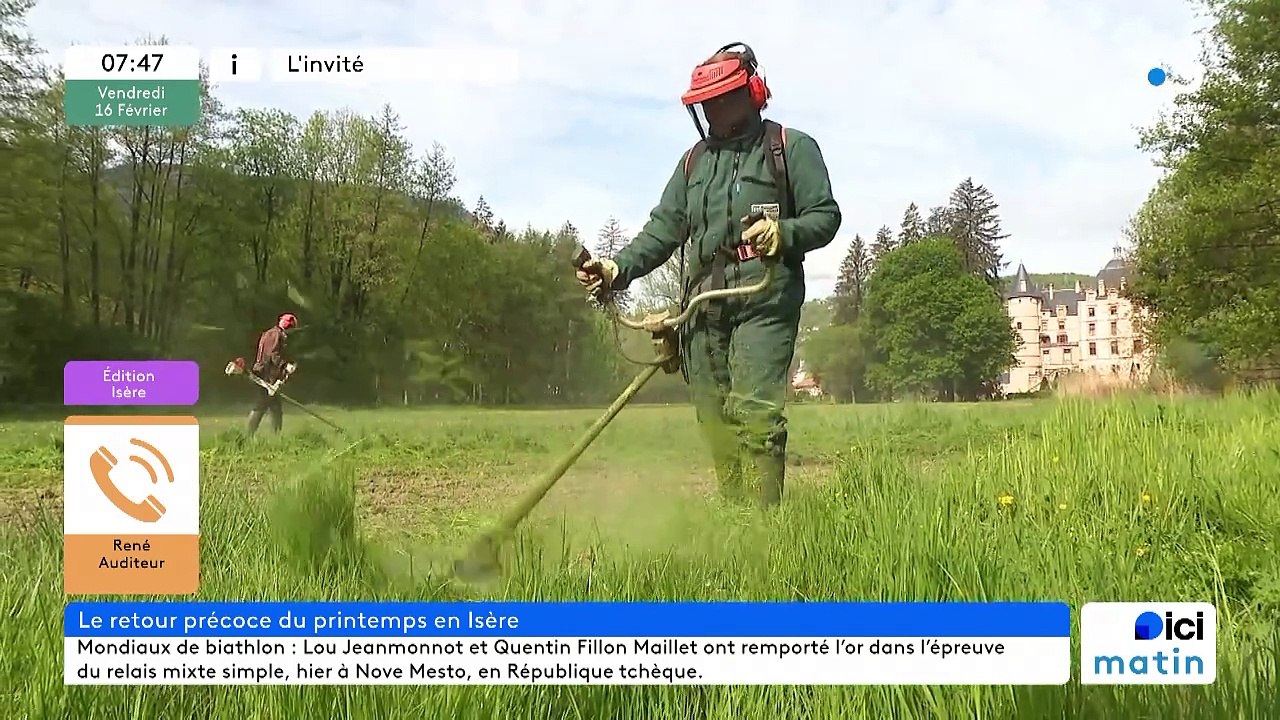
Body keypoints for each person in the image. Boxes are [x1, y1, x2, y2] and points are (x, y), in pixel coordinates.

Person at [576, 42, 841, 507]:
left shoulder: (789, 148)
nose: (714, 109)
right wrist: (617, 269)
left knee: (757, 414)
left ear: (753, 91)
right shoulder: (693, 163)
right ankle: (735, 519)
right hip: (701, 304)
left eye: (725, 97)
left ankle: (763, 533)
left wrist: (784, 233)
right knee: (714, 420)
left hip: (764, 297)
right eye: (706, 103)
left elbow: (826, 216)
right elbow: (662, 230)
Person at [246, 313, 297, 436]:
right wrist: (285, 366)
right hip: (266, 375)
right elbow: (273, 354)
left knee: (273, 407)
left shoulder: (272, 333)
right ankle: (248, 436)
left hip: (266, 373)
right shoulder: (276, 334)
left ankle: (274, 436)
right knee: (262, 405)